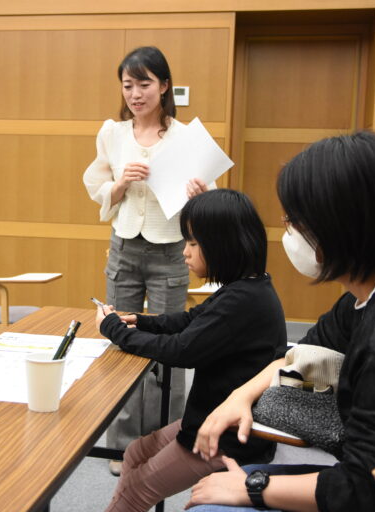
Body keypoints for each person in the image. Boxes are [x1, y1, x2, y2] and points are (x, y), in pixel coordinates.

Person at [186, 132, 375, 512]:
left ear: (337, 225)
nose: (287, 230)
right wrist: (240, 396)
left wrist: (251, 487)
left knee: (210, 503)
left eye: (293, 220)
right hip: (373, 479)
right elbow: (299, 356)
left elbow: (368, 488)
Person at [95, 189, 286, 511]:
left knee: (138, 490)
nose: (185, 252)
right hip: (210, 417)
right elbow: (188, 320)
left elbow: (180, 350)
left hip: (223, 437)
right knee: (134, 453)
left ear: (222, 244)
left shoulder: (242, 300)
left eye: (193, 244)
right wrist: (138, 321)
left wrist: (114, 330)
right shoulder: (247, 287)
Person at [83, 45, 214, 474]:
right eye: (128, 85)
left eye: (144, 84)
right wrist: (120, 183)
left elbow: (208, 197)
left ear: (164, 86)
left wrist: (200, 197)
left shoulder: (185, 136)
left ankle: (165, 439)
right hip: (124, 245)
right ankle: (122, 444)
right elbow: (98, 189)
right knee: (118, 337)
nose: (135, 93)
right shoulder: (112, 133)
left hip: (170, 249)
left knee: (171, 348)